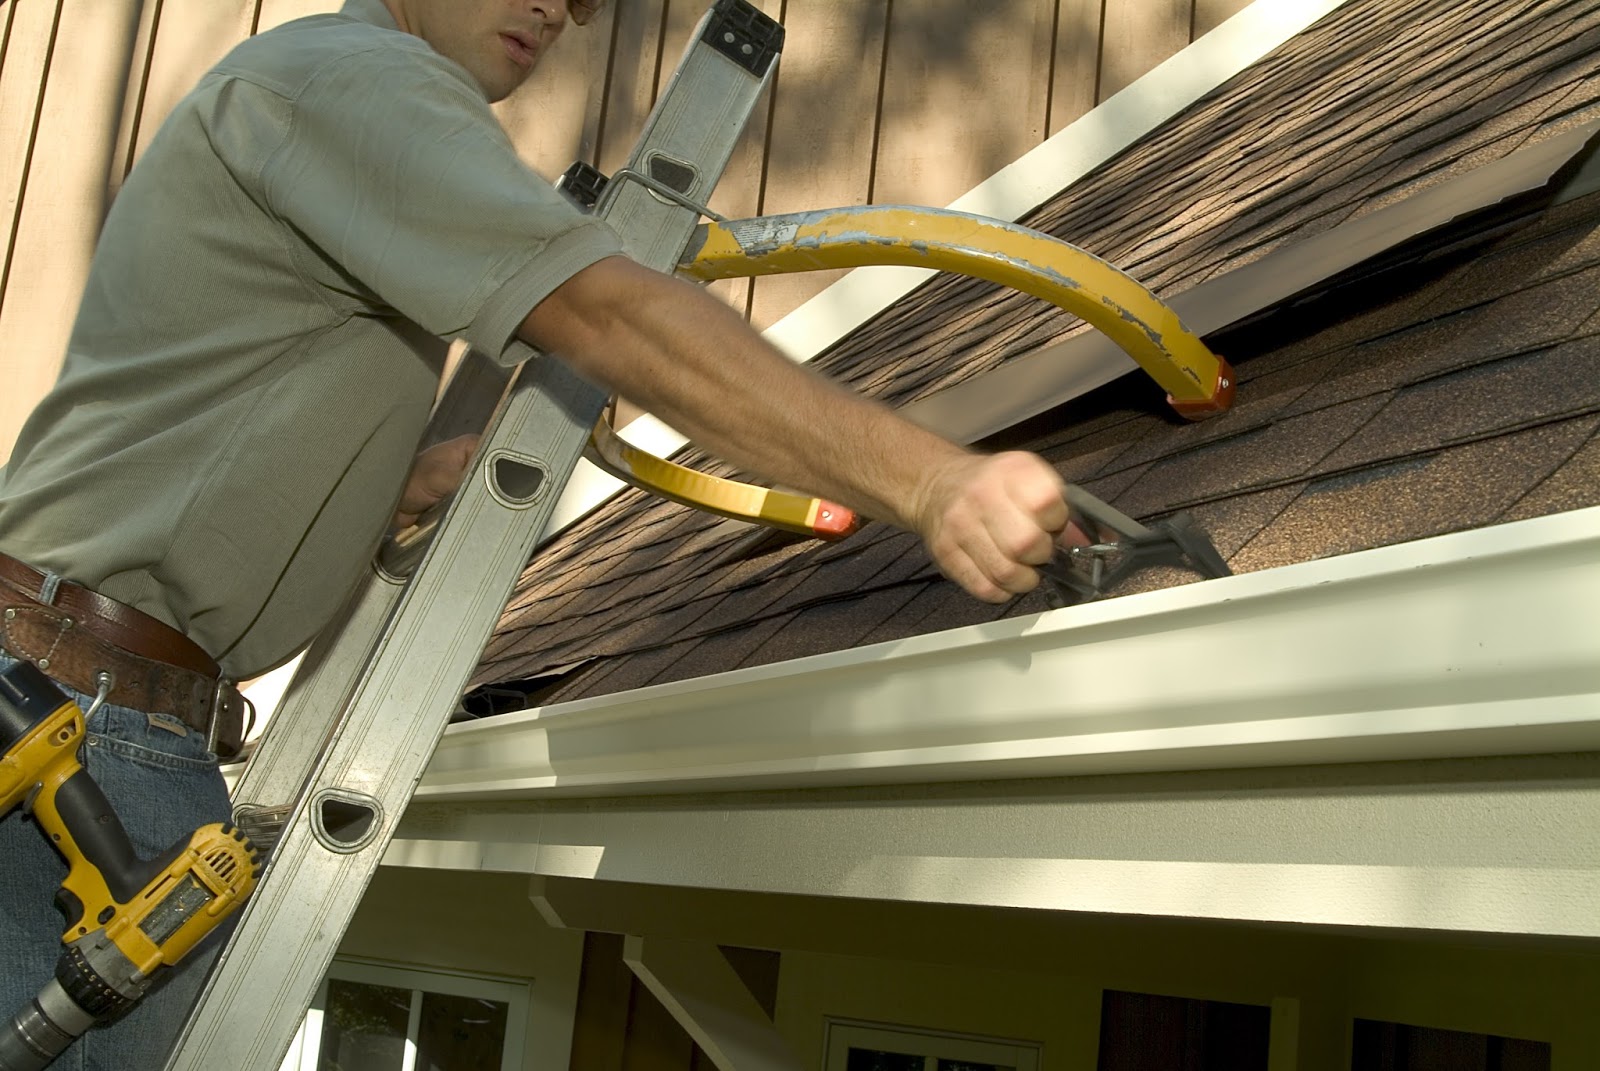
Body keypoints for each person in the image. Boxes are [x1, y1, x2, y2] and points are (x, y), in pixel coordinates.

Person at [0, 1, 1077, 1066]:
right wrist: (933, 482)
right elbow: (603, 315)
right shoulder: (357, 79)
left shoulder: (312, 84)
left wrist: (375, 491)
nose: (560, 11)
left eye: (584, 2)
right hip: (83, 730)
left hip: (89, 697)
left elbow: (206, 406)